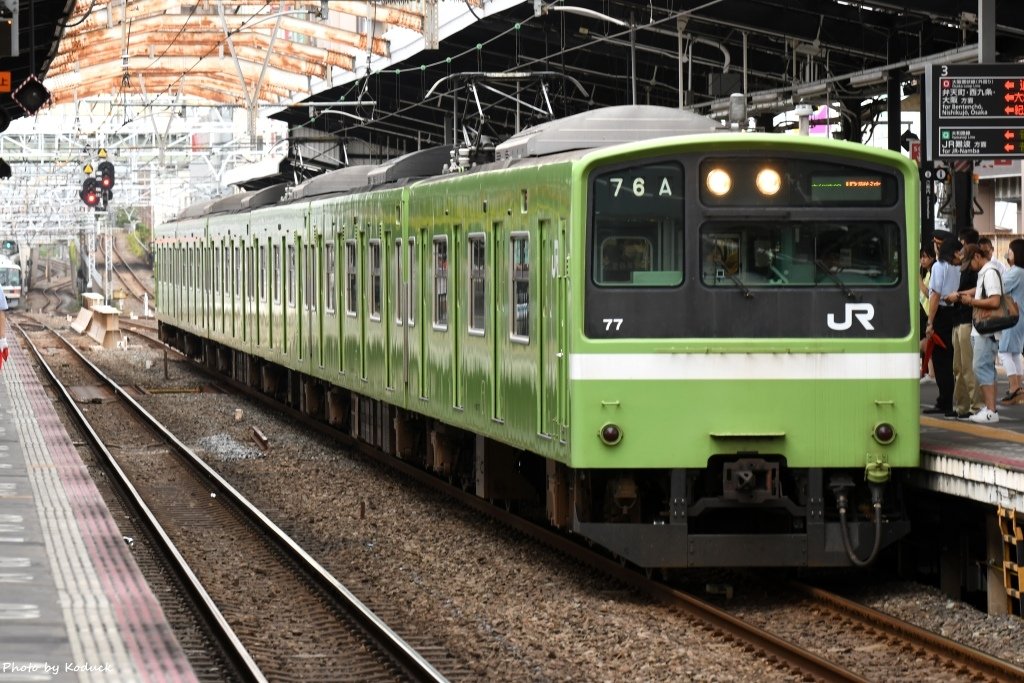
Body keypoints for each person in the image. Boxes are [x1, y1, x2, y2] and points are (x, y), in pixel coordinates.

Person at [958, 243, 1003, 423]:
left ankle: (991, 411)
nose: (970, 267)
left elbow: (994, 301)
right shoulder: (986, 272)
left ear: (978, 256)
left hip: (986, 330)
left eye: (971, 262)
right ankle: (990, 408)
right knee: (986, 368)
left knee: (981, 366)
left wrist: (971, 302)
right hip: (985, 329)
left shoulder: (990, 272)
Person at [924, 236, 962, 416]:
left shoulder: (939, 267)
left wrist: (930, 321)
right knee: (952, 358)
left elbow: (935, 295)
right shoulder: (959, 268)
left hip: (941, 313)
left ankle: (944, 401)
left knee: (941, 360)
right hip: (956, 312)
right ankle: (950, 400)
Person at [949, 229, 981, 419]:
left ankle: (976, 406)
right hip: (958, 319)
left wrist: (959, 295)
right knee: (958, 368)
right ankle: (962, 406)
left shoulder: (979, 270)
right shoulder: (965, 268)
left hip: (968, 321)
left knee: (968, 367)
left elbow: (979, 290)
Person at [998, 238, 1024, 405]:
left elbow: (1000, 288)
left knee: (1004, 351)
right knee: (1014, 352)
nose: (1008, 253)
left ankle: (1014, 387)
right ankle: (1017, 387)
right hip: (1020, 316)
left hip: (1012, 317)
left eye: (1010, 251)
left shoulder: (1016, 272)